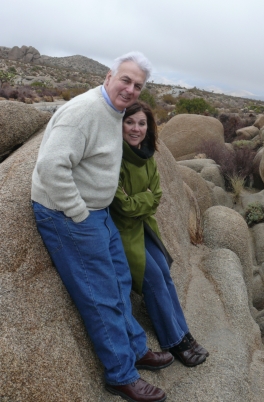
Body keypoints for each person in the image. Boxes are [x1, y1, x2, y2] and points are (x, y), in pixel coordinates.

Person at [31, 52, 172, 402]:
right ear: (109, 76)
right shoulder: (84, 111)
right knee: (100, 296)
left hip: (99, 212)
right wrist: (78, 212)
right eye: (125, 79)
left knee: (121, 280)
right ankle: (121, 375)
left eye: (137, 85)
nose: (130, 89)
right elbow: (50, 166)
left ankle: (136, 349)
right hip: (70, 216)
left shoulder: (115, 110)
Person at [110, 101, 209, 367]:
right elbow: (122, 204)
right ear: (119, 124)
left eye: (141, 123)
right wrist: (143, 200)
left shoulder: (146, 156)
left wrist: (139, 200)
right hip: (122, 232)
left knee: (165, 273)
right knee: (152, 278)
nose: (136, 128)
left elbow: (156, 197)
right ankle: (175, 342)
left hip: (143, 226)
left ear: (148, 128)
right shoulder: (113, 157)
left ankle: (184, 333)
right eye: (129, 122)